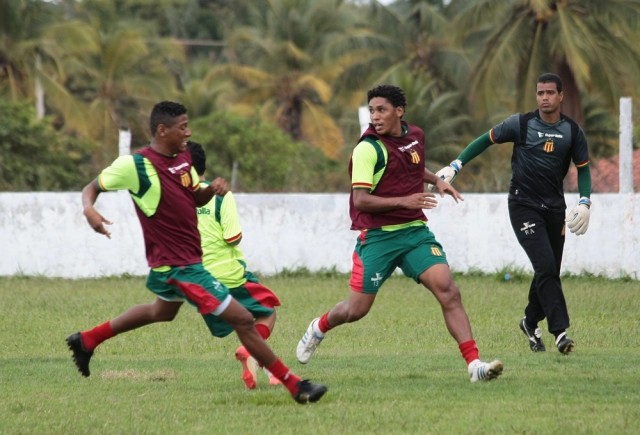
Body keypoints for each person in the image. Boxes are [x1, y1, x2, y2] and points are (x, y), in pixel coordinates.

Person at [66, 101, 327, 404]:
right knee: (244, 318)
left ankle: (86, 340)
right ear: (162, 130)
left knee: (159, 311)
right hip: (178, 267)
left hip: (188, 262)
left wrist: (211, 190)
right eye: (182, 127)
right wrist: (89, 210)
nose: (188, 132)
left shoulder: (183, 159)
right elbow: (92, 187)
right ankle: (296, 386)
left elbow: (196, 198)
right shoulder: (135, 166)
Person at [296, 85, 504, 383]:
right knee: (356, 310)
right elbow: (360, 200)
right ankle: (319, 327)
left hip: (414, 232)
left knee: (448, 289)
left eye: (381, 110)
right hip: (378, 238)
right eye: (372, 111)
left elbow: (411, 165)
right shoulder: (367, 149)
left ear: (399, 111)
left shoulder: (414, 136)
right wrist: (404, 201)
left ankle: (474, 366)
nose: (375, 116)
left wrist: (436, 180)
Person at [433, 73, 592, 354]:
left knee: (549, 270)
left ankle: (530, 322)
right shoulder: (521, 124)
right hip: (523, 206)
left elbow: (583, 169)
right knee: (545, 267)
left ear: (561, 96)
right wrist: (455, 165)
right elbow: (484, 140)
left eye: (550, 93)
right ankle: (560, 333)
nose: (544, 97)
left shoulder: (572, 131)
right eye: (540, 92)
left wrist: (585, 202)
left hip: (555, 209)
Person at [188, 141, 282, 389]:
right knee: (267, 312)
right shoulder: (220, 196)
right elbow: (233, 238)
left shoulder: (176, 199)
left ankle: (267, 368)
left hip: (196, 280)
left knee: (243, 321)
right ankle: (251, 354)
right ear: (202, 165)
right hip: (228, 274)